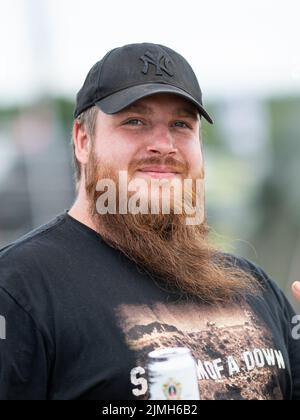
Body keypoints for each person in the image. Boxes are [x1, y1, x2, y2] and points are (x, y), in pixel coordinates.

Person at [0, 42, 299, 400]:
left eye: (181, 124)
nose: (163, 144)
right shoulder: (19, 289)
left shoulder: (252, 285)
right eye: (135, 121)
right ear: (83, 140)